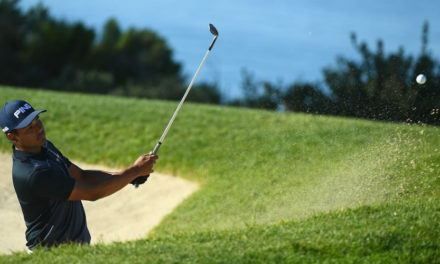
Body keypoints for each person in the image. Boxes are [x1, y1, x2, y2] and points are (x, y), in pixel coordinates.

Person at [0, 100, 158, 252]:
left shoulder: (45, 146)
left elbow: (82, 175)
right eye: (29, 128)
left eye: (37, 121)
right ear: (13, 137)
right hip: (50, 254)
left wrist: (128, 175)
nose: (39, 129)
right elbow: (92, 192)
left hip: (74, 250)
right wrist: (135, 171)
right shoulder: (33, 173)